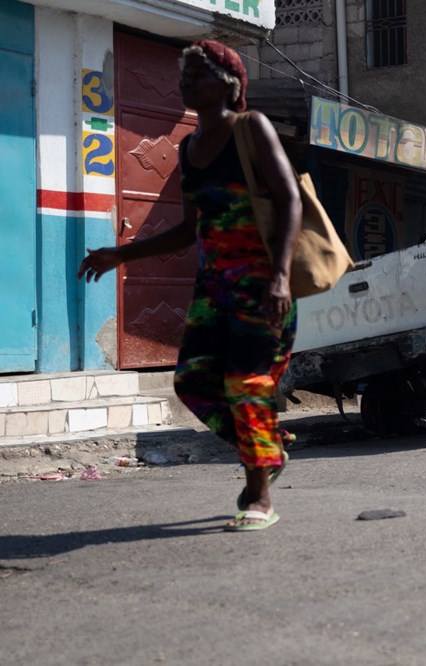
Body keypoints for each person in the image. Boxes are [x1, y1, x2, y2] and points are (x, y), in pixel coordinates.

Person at [77, 40, 302, 531]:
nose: (185, 81)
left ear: (229, 83)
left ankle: (259, 496)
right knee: (193, 381)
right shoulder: (189, 148)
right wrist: (121, 254)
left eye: (197, 73)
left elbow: (290, 199)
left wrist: (281, 277)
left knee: (246, 383)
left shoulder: (252, 127)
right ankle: (266, 450)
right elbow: (187, 230)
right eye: (184, 74)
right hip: (213, 288)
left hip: (261, 283)